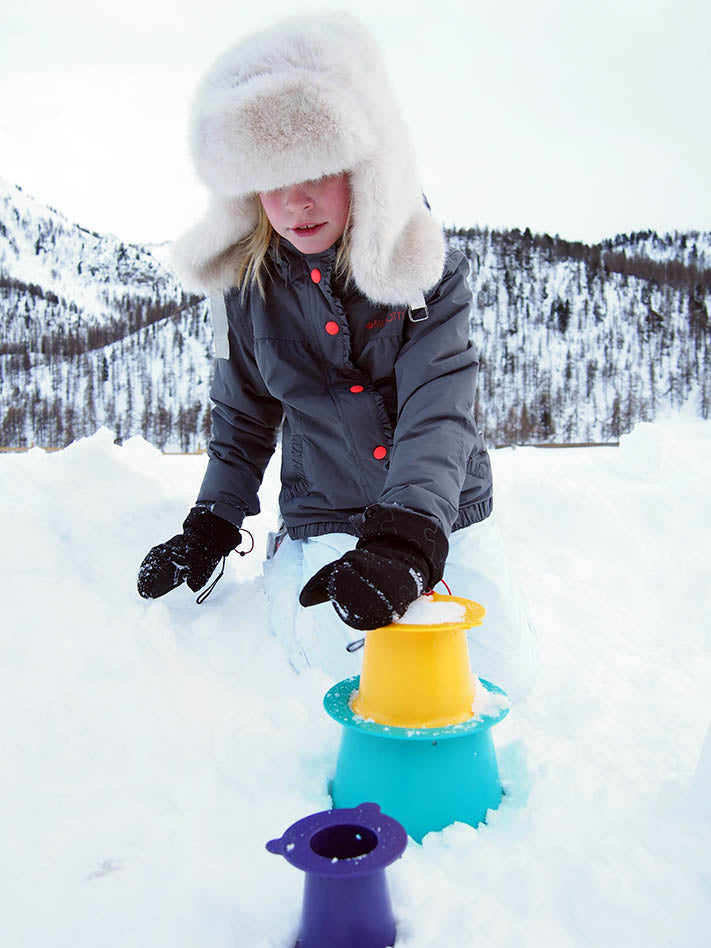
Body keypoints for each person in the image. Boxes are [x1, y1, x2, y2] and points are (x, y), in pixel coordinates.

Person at [137, 14, 538, 700]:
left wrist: (409, 540)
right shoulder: (248, 287)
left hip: (445, 515)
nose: (294, 202)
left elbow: (437, 411)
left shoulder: (428, 271)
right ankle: (288, 572)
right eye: (271, 179)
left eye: (316, 171)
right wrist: (212, 524)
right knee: (339, 674)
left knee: (500, 683)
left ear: (364, 165)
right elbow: (242, 420)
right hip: (327, 512)